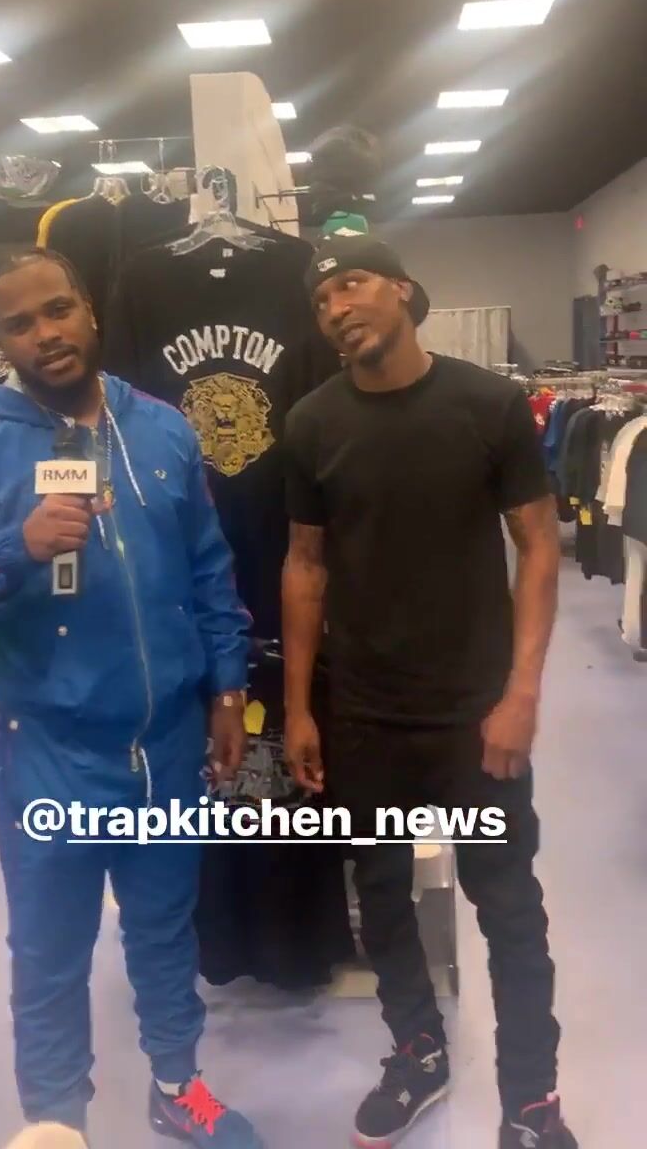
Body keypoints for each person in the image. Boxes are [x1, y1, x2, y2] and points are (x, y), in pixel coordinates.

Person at [0, 248, 263, 1149]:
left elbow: (209, 568)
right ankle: (56, 1123)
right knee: (50, 949)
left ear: (89, 310)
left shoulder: (161, 429)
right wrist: (17, 547)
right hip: (50, 749)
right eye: (20, 324)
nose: (46, 333)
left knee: (164, 928)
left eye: (57, 309)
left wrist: (227, 689)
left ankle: (177, 1086)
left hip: (168, 741)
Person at [280, 236, 578, 1149]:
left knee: (508, 908)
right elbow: (304, 565)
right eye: (322, 299)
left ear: (404, 291)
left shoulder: (488, 404)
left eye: (352, 284)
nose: (337, 307)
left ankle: (531, 1101)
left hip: (473, 717)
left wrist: (521, 693)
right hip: (364, 715)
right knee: (380, 895)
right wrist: (299, 707)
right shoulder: (312, 423)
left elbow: (538, 544)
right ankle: (418, 1052)